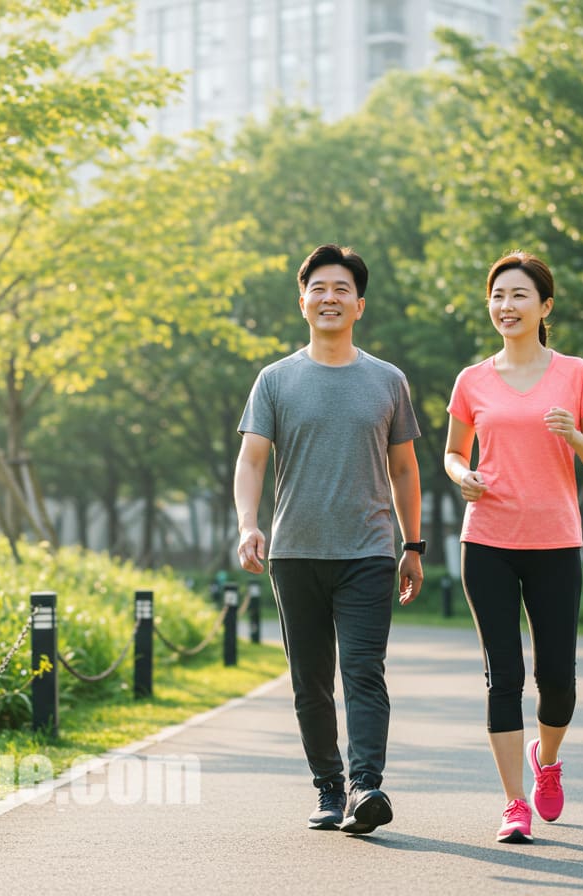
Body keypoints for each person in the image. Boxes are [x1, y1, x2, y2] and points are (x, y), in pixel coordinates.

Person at [234, 243, 424, 835]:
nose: (330, 298)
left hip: (368, 552)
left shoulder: (387, 381)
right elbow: (252, 460)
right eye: (319, 288)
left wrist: (412, 546)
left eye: (342, 289)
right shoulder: (275, 380)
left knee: (363, 671)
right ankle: (327, 788)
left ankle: (367, 787)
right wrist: (248, 523)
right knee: (310, 680)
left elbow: (405, 470)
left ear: (359, 305)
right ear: (303, 301)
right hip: (294, 554)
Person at [443, 251, 583, 844]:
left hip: (556, 541)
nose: (506, 307)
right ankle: (515, 803)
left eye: (518, 296)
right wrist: (462, 476)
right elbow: (453, 452)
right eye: (497, 296)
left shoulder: (575, 372)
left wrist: (575, 434)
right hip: (487, 539)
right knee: (503, 675)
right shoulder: (473, 380)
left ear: (545, 307)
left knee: (558, 678)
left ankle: (549, 757)